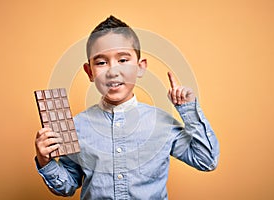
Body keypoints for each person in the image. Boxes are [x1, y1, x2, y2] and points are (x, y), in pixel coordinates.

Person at [34, 15, 219, 199]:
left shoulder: (161, 123)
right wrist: (45, 161)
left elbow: (206, 161)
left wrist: (189, 110)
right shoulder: (76, 126)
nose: (113, 71)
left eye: (123, 60)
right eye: (101, 62)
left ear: (140, 67)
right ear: (89, 72)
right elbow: (67, 186)